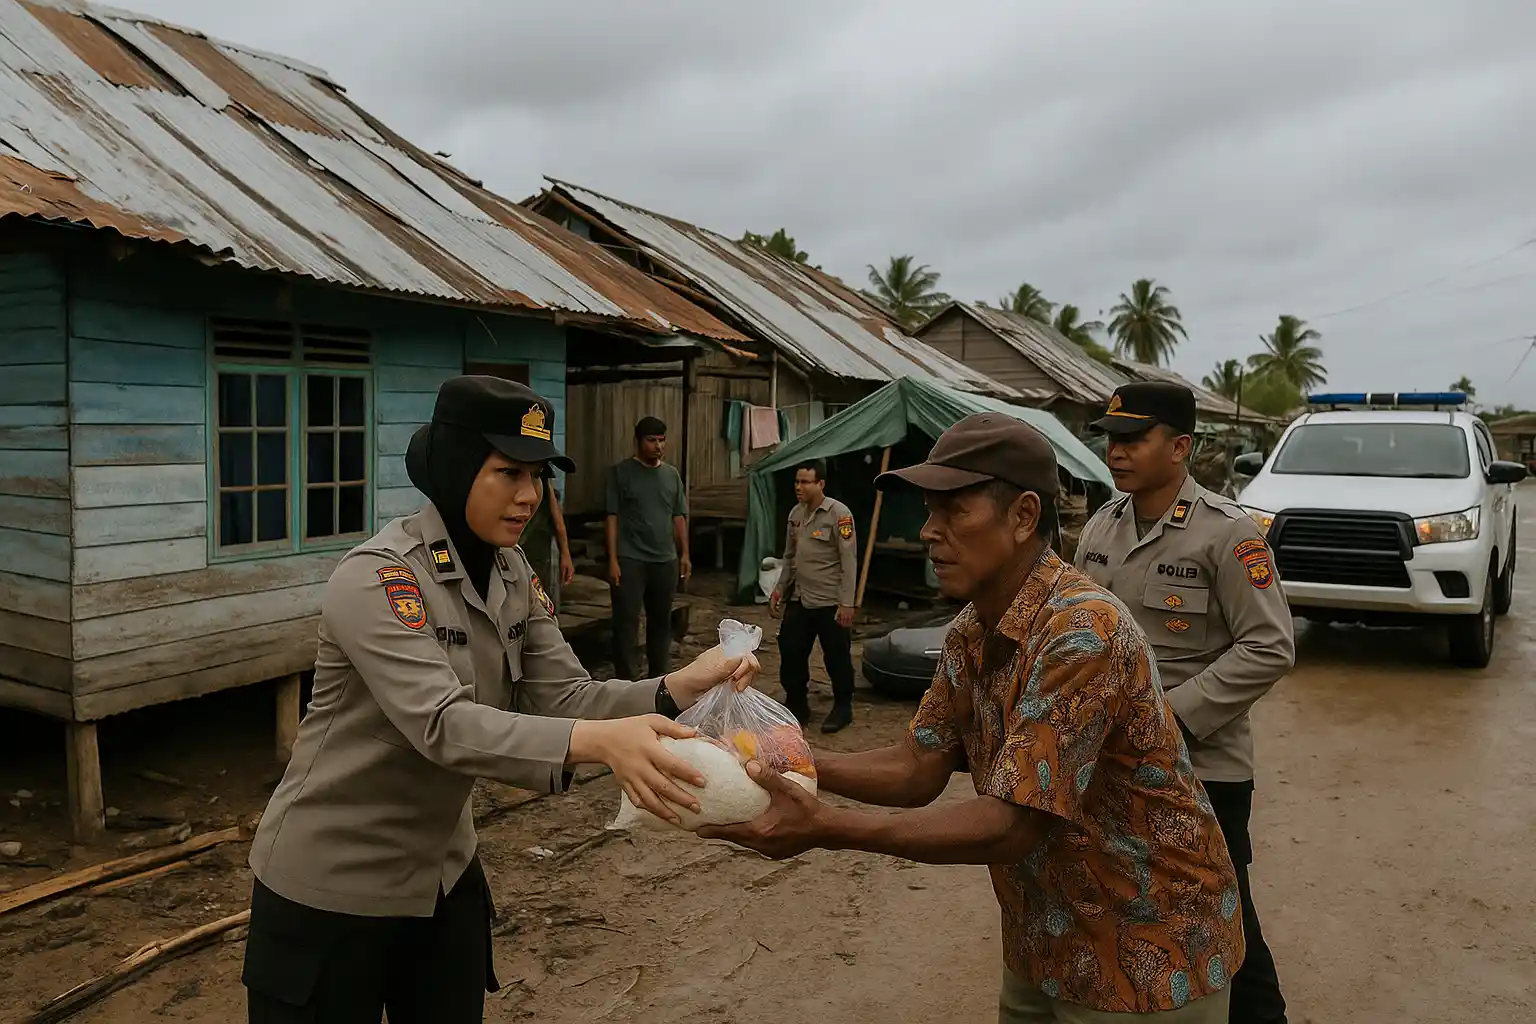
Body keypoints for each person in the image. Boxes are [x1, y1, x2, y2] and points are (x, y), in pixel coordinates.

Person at [242, 377, 756, 1024]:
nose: (528, 496)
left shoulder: (514, 573)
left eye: (538, 476)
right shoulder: (377, 579)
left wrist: (680, 685)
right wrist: (599, 743)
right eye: (507, 472)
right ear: (457, 470)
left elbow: (566, 695)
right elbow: (441, 724)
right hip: (332, 887)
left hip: (441, 878)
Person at [702, 413, 1244, 1023]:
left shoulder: (1082, 632)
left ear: (1023, 517)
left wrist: (827, 827)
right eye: (931, 512)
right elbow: (919, 766)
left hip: (1148, 946)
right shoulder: (972, 630)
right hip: (1047, 935)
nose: (931, 532)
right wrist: (787, 760)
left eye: (954, 511)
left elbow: (1012, 825)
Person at [1073, 381, 1295, 1024]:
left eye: (1133, 439)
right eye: (1112, 439)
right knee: (1133, 912)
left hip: (1203, 770)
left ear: (1180, 447)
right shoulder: (1100, 527)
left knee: (1226, 921)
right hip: (1114, 764)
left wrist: (1169, 717)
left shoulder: (1229, 535)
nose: (1116, 452)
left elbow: (1269, 647)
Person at [770, 459, 858, 733]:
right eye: (797, 482)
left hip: (829, 602)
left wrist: (847, 602)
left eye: (805, 482)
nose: (799, 487)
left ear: (820, 484)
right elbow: (789, 556)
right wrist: (779, 588)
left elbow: (849, 560)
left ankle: (843, 707)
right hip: (800, 597)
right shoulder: (795, 514)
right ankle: (797, 706)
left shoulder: (839, 515)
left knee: (837, 657)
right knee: (791, 652)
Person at [605, 416, 691, 680]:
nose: (658, 446)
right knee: (626, 624)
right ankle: (626, 681)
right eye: (651, 440)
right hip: (631, 559)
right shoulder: (620, 473)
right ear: (639, 441)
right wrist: (612, 560)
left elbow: (678, 516)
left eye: (662, 440)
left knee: (661, 622)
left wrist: (684, 554)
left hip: (665, 560)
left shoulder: (671, 475)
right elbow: (611, 517)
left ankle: (658, 679)